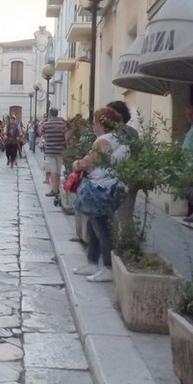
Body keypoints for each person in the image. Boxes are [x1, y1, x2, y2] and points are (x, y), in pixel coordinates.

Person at [71, 107, 129, 282]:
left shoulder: (105, 140)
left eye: (95, 123)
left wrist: (77, 164)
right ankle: (92, 261)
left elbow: (88, 161)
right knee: (93, 224)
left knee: (101, 227)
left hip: (101, 188)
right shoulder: (117, 138)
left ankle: (108, 267)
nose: (93, 126)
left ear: (103, 125)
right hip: (108, 186)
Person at [41, 108, 68, 201]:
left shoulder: (46, 124)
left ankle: (54, 189)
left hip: (50, 149)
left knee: (53, 170)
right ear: (57, 114)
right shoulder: (62, 124)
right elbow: (66, 133)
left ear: (50, 114)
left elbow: (41, 132)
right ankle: (58, 189)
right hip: (60, 149)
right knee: (59, 170)